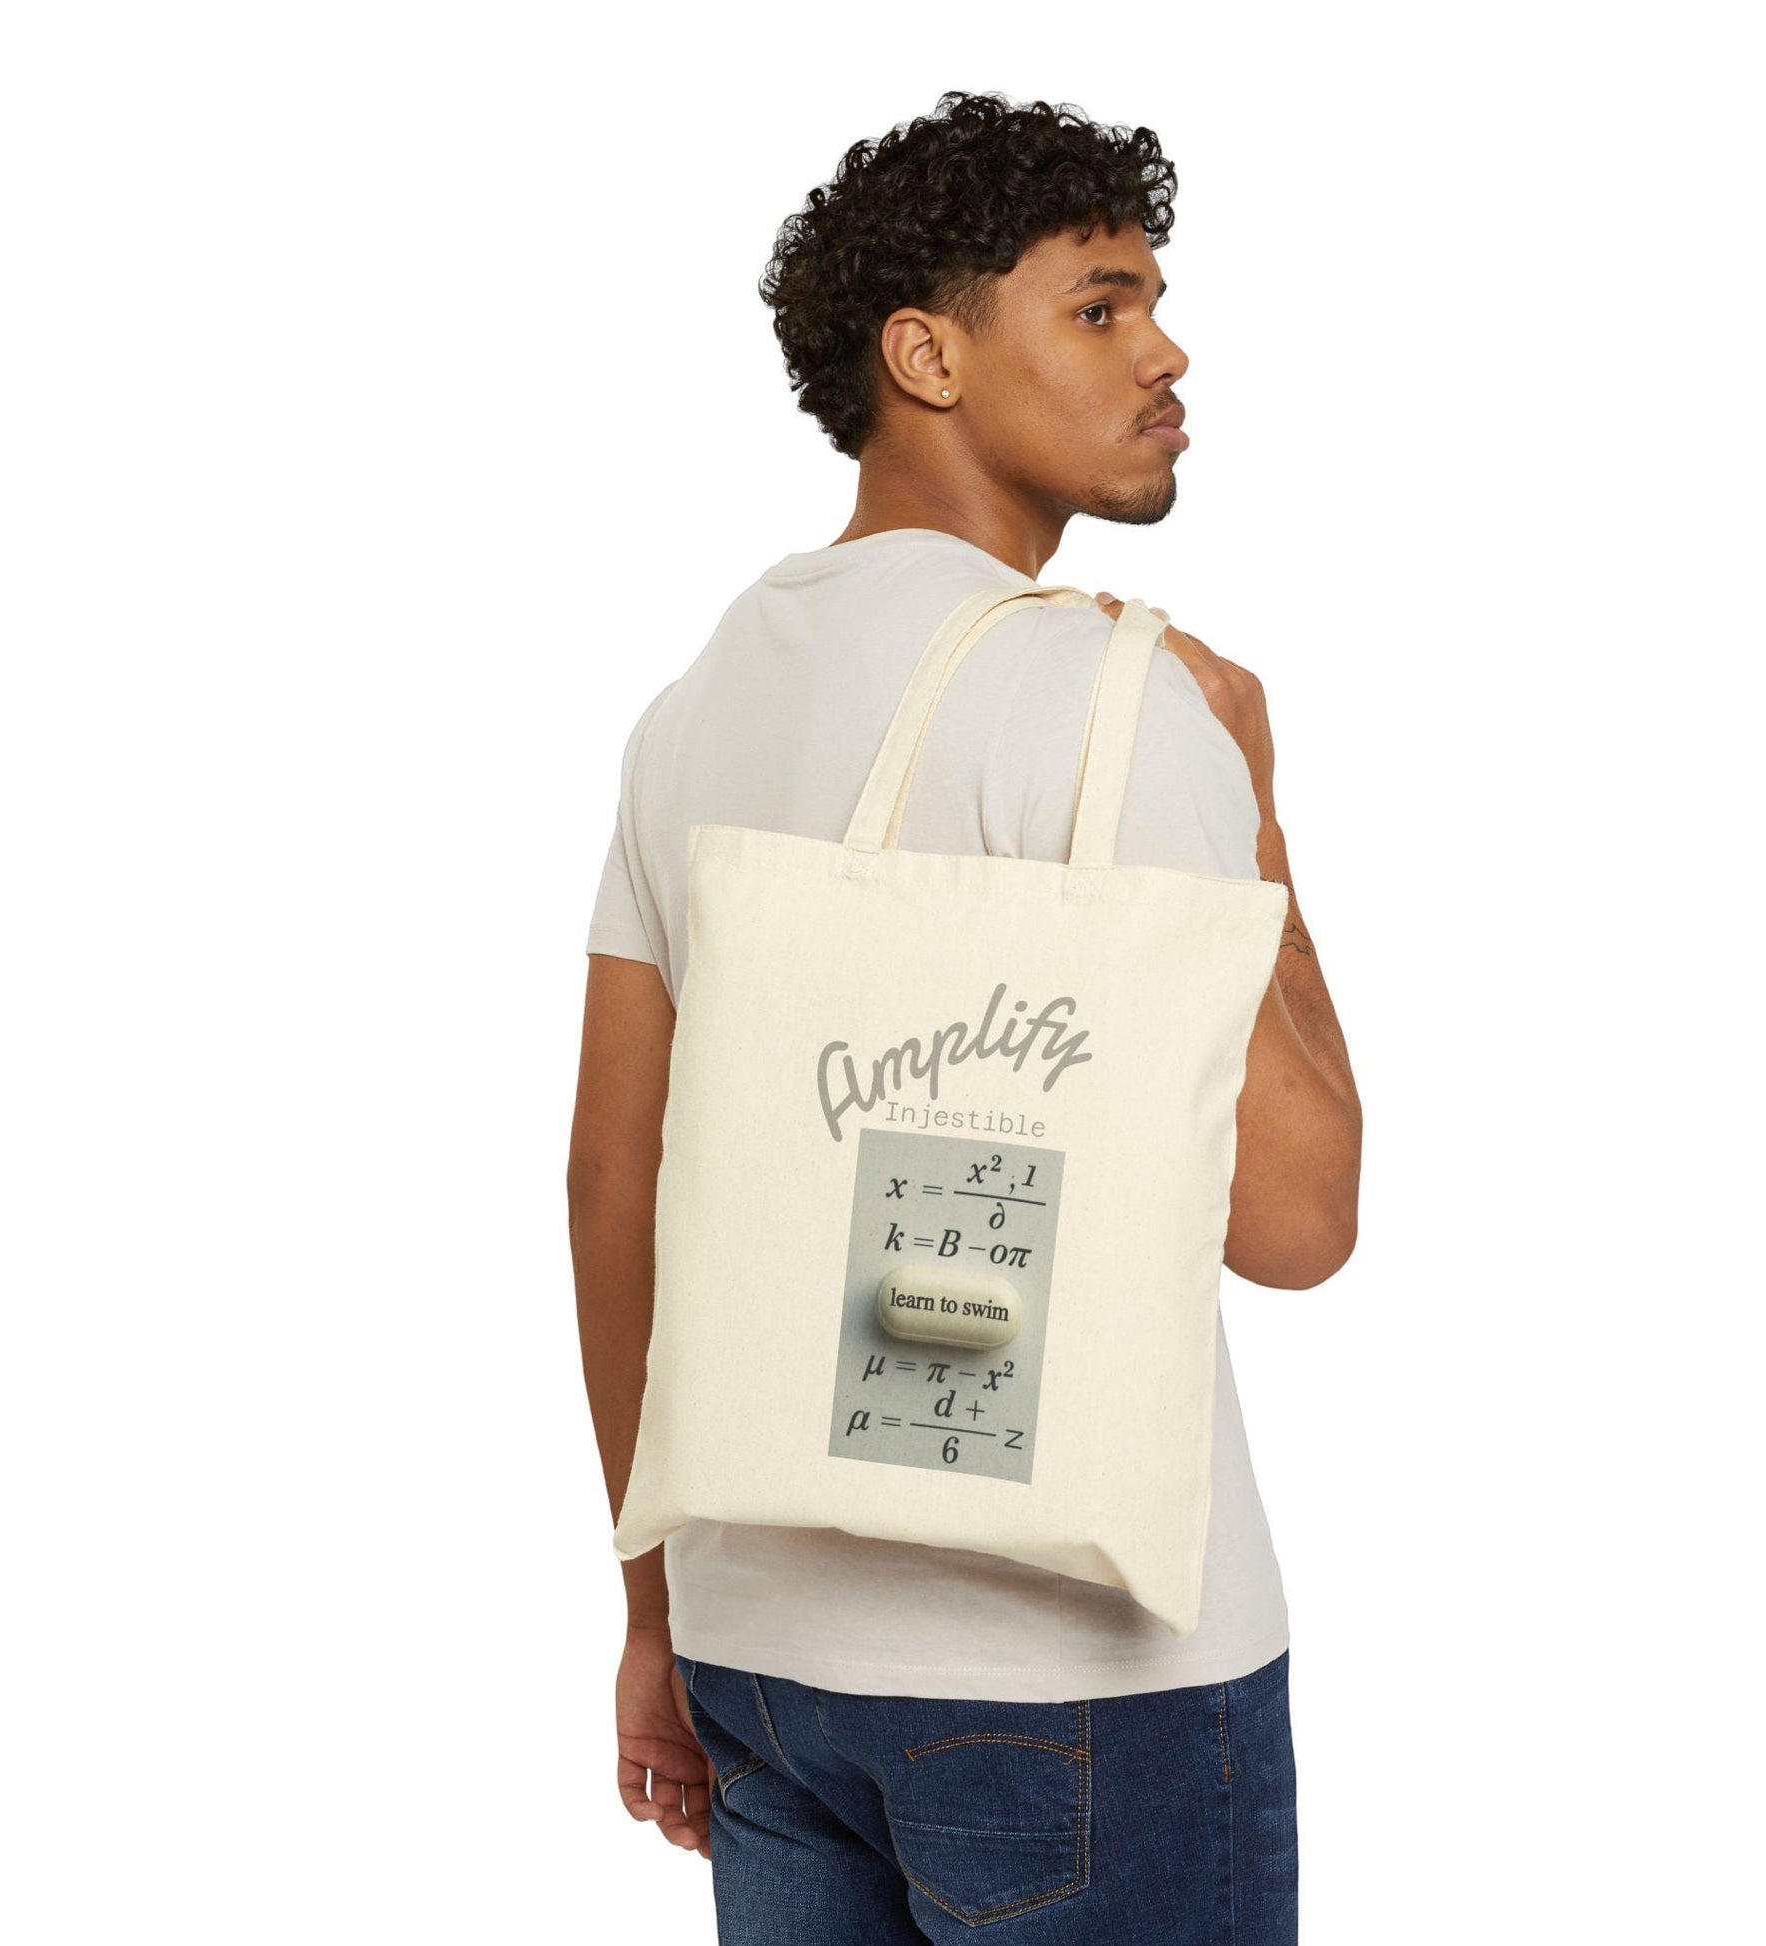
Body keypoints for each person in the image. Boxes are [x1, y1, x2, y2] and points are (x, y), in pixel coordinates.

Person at [567, 89, 1362, 1944]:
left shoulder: (691, 709)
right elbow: (1298, 1220)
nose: (1165, 353)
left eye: (1152, 299)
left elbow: (615, 1183)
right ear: (924, 355)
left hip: (758, 1655)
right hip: (1079, 1675)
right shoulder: (1109, 699)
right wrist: (1252, 807)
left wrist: (653, 1610)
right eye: (1098, 305)